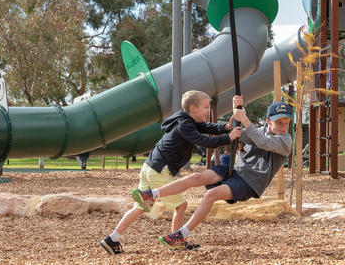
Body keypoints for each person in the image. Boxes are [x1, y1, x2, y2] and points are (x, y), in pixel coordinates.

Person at [133, 97, 293, 250]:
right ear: (268, 121)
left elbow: (263, 142)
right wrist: (236, 111)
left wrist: (244, 118)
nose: (283, 127)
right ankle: (152, 195)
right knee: (197, 177)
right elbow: (239, 133)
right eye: (279, 122)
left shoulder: (286, 140)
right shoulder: (259, 130)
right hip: (235, 168)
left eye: (286, 123)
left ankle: (181, 235)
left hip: (250, 182)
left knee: (211, 194)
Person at [99, 90, 241, 255]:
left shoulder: (186, 120)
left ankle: (112, 238)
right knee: (181, 205)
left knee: (141, 206)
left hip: (150, 167)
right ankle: (177, 242)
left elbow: (204, 127)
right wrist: (228, 137)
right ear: (193, 108)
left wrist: (225, 127)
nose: (208, 111)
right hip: (160, 170)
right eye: (205, 107)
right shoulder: (184, 124)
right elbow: (203, 140)